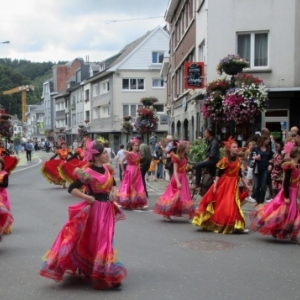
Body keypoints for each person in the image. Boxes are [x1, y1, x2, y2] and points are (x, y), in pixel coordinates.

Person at [39, 140, 127, 289]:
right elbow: (72, 189)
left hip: (107, 209)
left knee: (107, 238)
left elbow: (112, 184)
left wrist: (113, 192)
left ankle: (102, 268)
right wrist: (87, 198)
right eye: (105, 153)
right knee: (98, 240)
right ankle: (107, 272)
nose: (108, 155)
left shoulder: (107, 168)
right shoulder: (87, 172)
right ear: (97, 156)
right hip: (95, 210)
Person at [192, 137, 250, 234]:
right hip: (225, 184)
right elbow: (219, 174)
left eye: (237, 147)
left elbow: (239, 175)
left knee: (234, 205)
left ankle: (236, 225)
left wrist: (246, 185)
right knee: (226, 205)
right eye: (234, 147)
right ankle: (227, 224)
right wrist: (215, 186)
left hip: (234, 185)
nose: (236, 148)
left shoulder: (238, 160)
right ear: (229, 149)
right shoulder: (225, 160)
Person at [250, 145, 300, 244]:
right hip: (288, 192)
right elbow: (286, 182)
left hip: (294, 192)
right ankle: (278, 230)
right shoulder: (289, 166)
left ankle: (293, 235)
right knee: (281, 213)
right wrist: (286, 196)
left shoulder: (297, 165)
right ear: (298, 154)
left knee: (293, 213)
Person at [154, 141, 195, 222]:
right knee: (172, 196)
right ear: (183, 148)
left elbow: (183, 169)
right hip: (177, 178)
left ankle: (190, 213)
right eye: (187, 148)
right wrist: (178, 182)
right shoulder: (177, 158)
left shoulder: (184, 158)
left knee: (184, 196)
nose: (188, 149)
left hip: (183, 178)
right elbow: (175, 171)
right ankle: (166, 213)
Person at [117, 138, 148, 209]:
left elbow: (139, 162)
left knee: (138, 186)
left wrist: (139, 168)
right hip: (130, 171)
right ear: (132, 146)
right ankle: (128, 201)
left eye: (138, 145)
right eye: (136, 145)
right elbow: (121, 161)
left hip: (137, 171)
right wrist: (122, 171)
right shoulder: (129, 154)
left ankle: (138, 201)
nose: (137, 147)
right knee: (129, 186)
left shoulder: (139, 154)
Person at [250, 135, 274, 205]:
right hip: (257, 169)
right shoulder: (256, 148)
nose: (268, 141)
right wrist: (255, 158)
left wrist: (270, 164)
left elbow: (271, 158)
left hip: (265, 169)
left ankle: (261, 201)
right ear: (263, 140)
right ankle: (257, 200)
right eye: (267, 139)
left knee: (263, 186)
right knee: (257, 186)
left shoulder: (268, 148)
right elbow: (251, 157)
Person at [0, 158, 13, 235]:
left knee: (3, 211)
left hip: (2, 194)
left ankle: (4, 226)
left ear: (2, 165)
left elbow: (5, 185)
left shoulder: (4, 174)